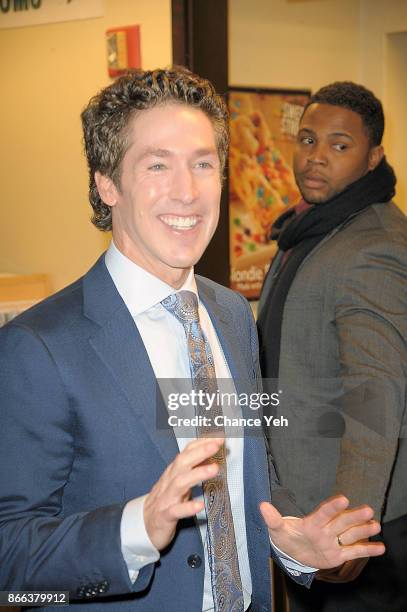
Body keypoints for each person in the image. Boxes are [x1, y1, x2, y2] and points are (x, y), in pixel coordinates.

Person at [0, 70, 384, 612]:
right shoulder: (36, 347)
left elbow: (244, 493)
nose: (188, 190)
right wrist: (137, 527)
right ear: (107, 183)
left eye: (203, 164)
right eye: (158, 164)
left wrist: (291, 544)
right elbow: (9, 558)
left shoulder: (229, 314)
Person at [257, 81, 407, 612]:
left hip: (352, 526)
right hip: (305, 509)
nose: (316, 158)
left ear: (374, 157)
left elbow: (375, 395)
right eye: (307, 139)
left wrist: (348, 531)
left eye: (340, 145)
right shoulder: (314, 230)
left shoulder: (373, 248)